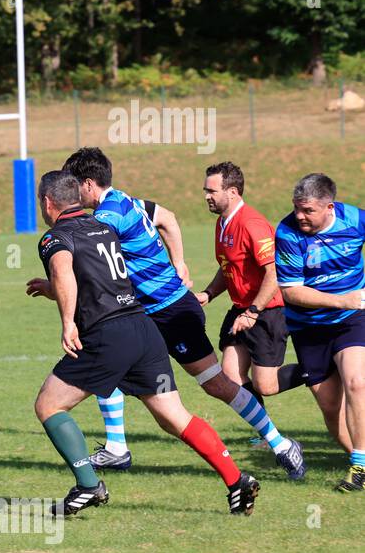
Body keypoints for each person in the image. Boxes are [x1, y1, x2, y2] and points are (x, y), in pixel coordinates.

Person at [51, 147, 303, 478]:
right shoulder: (127, 200)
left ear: (88, 184)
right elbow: (167, 217)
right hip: (143, 312)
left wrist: (55, 283)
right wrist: (179, 260)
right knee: (106, 359)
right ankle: (116, 448)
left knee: (215, 384)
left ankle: (280, 443)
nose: (70, 194)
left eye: (74, 186)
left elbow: (94, 268)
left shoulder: (105, 219)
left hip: (170, 311)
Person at [30, 171, 260, 516]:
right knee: (173, 417)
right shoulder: (103, 228)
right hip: (142, 328)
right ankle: (236, 480)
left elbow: (64, 273)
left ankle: (89, 485)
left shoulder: (54, 238)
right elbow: (92, 280)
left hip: (107, 336)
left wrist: (66, 323)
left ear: (48, 203)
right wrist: (51, 291)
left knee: (49, 405)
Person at [195, 161, 307, 476]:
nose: (206, 196)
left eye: (211, 191)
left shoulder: (252, 224)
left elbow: (274, 273)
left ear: (232, 191)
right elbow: (228, 266)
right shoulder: (223, 222)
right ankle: (266, 435)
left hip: (267, 311)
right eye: (205, 190)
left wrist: (254, 311)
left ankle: (319, 368)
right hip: (241, 309)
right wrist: (208, 294)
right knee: (230, 376)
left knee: (265, 385)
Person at [274, 173, 365, 493]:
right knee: (329, 405)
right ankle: (358, 456)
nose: (300, 216)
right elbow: (291, 291)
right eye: (297, 209)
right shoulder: (287, 232)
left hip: (352, 319)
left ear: (330, 206)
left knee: (357, 381)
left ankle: (360, 466)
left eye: (308, 211)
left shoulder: (355, 219)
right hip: (308, 326)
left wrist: (350, 303)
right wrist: (341, 299)